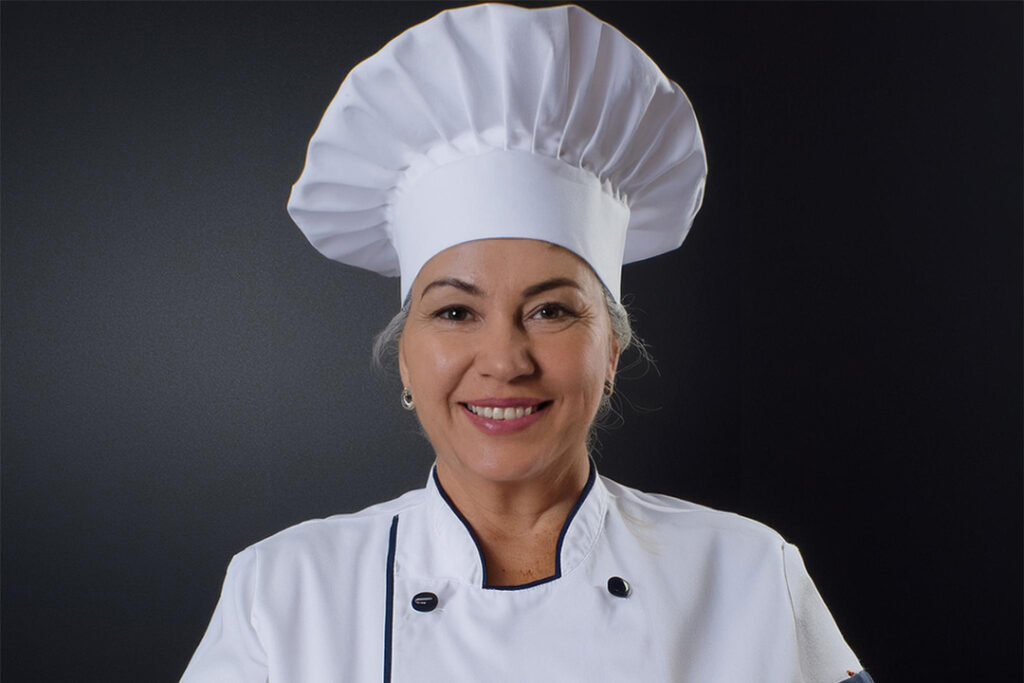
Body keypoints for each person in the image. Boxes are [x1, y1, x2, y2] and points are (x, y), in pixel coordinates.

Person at [181, 4, 872, 682]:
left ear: (611, 353)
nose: (505, 360)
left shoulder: (747, 575)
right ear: (406, 361)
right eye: (455, 312)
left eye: (550, 310)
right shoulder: (282, 595)